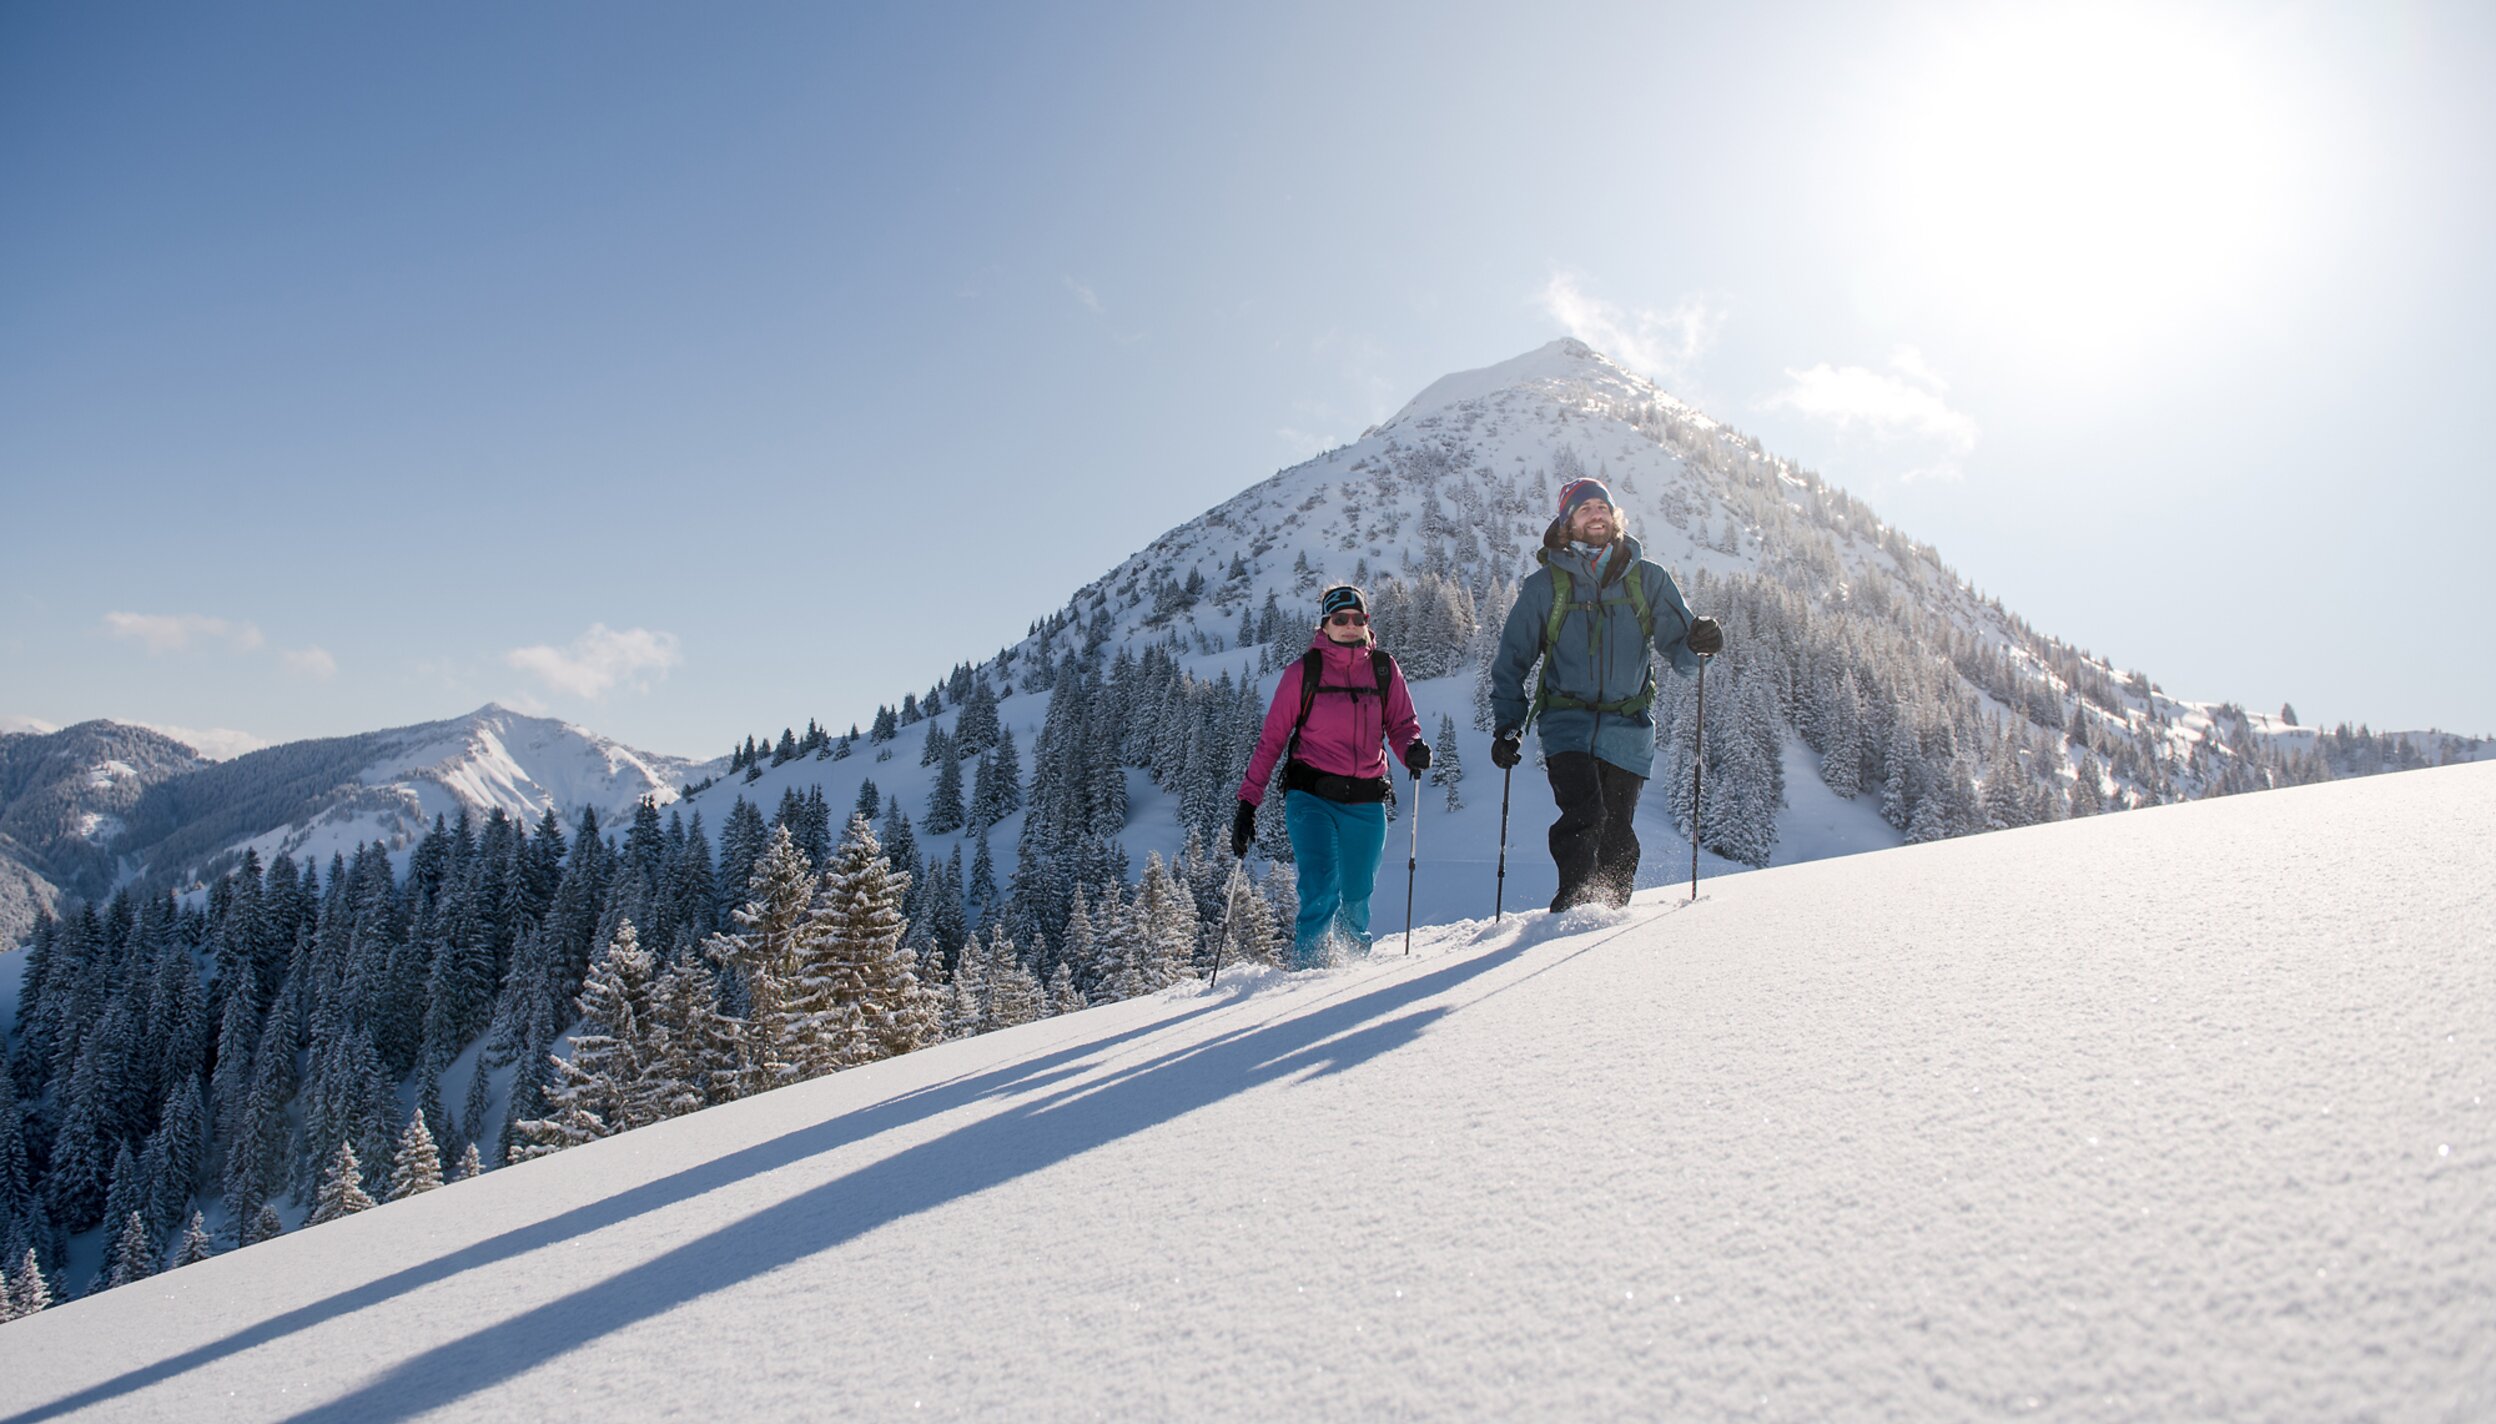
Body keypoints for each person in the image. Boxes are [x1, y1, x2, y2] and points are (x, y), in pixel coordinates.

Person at [1487, 478, 1723, 911]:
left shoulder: (1648, 579)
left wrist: (1700, 643)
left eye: (1602, 507)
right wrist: (1508, 725)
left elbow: (1684, 656)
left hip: (1629, 727)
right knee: (1584, 815)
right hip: (1566, 724)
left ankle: (1611, 913)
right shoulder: (1545, 586)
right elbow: (1511, 661)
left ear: (1614, 516)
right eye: (1584, 509)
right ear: (1567, 523)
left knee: (1617, 832)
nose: (1596, 514)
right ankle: (1573, 909)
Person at [1232, 585, 1427, 968]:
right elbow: (1272, 740)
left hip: (1367, 802)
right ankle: (1307, 976)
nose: (1350, 625)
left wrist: (1412, 749)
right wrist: (1247, 804)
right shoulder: (1304, 672)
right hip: (1311, 798)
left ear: (1366, 622)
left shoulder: (1384, 669)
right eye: (1340, 618)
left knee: (1356, 899)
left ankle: (1348, 979)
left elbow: (1403, 725)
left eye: (1358, 618)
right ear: (1325, 624)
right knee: (1320, 888)